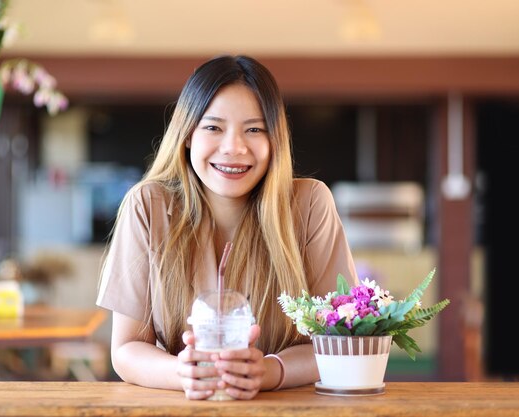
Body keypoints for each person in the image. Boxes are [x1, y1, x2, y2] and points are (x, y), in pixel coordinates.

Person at [96, 54, 358, 400]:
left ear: (274, 139)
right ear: (187, 134)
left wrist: (268, 371)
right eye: (213, 127)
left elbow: (342, 342)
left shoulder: (310, 204)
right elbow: (126, 349)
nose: (234, 147)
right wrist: (184, 372)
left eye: (254, 129)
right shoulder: (147, 205)